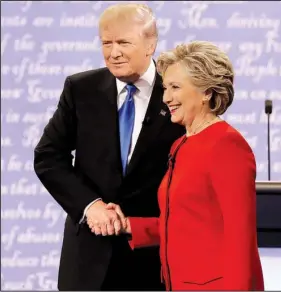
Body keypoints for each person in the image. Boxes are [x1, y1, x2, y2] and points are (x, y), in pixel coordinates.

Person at [33, 3, 185, 291]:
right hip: (88, 256)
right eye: (106, 43)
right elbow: (48, 157)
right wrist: (91, 206)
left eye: (123, 42)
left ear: (151, 43)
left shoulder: (176, 90)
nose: (113, 52)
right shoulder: (81, 89)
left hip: (154, 258)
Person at [95, 41, 265, 291]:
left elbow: (240, 238)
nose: (166, 98)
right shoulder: (180, 145)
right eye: (165, 88)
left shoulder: (226, 145)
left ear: (206, 91)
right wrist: (130, 224)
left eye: (175, 87)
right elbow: (182, 223)